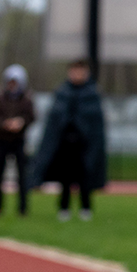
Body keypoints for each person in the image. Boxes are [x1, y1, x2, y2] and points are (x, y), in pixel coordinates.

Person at [32, 60, 106, 222]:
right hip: (64, 144)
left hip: (84, 145)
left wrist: (82, 129)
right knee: (64, 177)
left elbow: (95, 123)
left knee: (85, 175)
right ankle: (63, 207)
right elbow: (55, 120)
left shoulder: (92, 93)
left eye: (81, 71)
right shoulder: (62, 92)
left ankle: (86, 208)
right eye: (74, 71)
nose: (77, 75)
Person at [0, 64, 36, 216]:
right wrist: (4, 124)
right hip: (2, 140)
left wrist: (21, 122)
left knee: (22, 175)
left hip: (19, 140)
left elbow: (32, 116)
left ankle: (23, 208)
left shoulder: (26, 98)